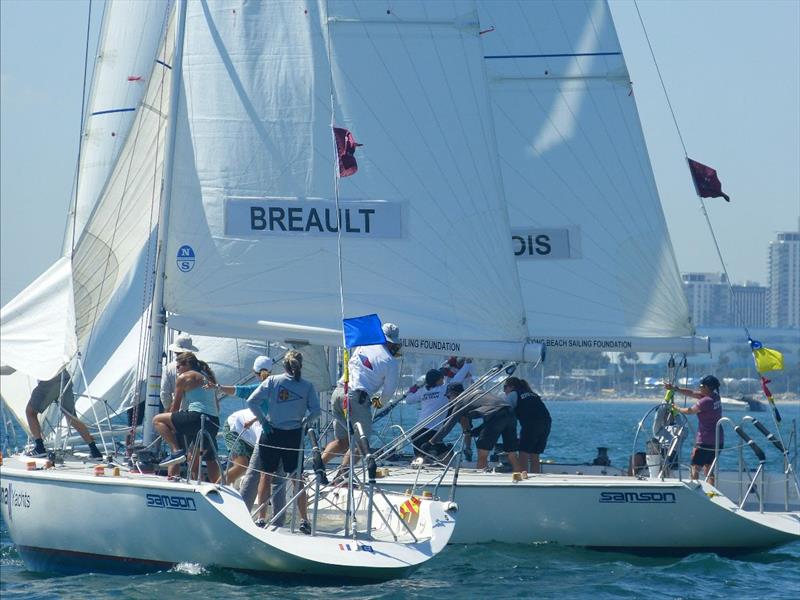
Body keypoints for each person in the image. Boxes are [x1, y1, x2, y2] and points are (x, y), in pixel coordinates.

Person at [240, 350, 320, 533]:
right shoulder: (307, 386)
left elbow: (252, 402)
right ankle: (304, 521)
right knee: (296, 478)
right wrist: (304, 422)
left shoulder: (273, 380)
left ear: (284, 366)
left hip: (272, 432)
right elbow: (316, 412)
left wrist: (263, 421)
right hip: (294, 435)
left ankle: (261, 518)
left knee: (265, 476)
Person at [321, 322, 402, 467]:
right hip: (355, 398)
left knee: (342, 442)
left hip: (339, 392)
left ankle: (318, 466)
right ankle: (342, 478)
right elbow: (388, 392)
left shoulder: (363, 346)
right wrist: (380, 402)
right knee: (361, 444)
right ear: (392, 343)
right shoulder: (390, 362)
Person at [153, 353, 221, 482]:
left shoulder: (184, 377)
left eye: (178, 367)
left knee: (157, 420)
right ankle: (209, 486)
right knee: (194, 462)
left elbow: (175, 406)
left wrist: (171, 426)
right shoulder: (208, 378)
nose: (177, 370)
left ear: (187, 365)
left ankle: (175, 451)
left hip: (196, 418)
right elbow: (216, 407)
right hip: (213, 423)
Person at [426, 383, 522, 472]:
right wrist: (476, 431)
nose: (449, 400)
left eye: (448, 397)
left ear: (454, 394)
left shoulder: (460, 401)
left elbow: (447, 426)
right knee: (511, 453)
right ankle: (520, 477)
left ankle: (481, 481)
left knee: (482, 453)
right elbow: (494, 413)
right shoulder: (477, 394)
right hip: (510, 412)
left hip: (496, 415)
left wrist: (431, 442)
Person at [25, 370, 103, 459]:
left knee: (30, 412)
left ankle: (39, 448)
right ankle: (94, 450)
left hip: (49, 379)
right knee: (71, 417)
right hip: (64, 377)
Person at [405, 360, 472, 457]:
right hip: (431, 432)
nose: (443, 380)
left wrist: (414, 388)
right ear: (437, 380)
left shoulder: (423, 391)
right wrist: (467, 364)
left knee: (421, 462)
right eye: (441, 378)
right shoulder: (445, 390)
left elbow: (408, 399)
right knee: (446, 458)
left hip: (417, 432)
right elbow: (459, 377)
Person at [665, 374, 723, 486]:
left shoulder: (705, 401)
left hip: (704, 441)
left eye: (701, 385)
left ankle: (695, 491)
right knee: (709, 468)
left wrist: (676, 408)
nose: (699, 387)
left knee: (695, 467)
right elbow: (692, 393)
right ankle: (712, 491)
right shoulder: (715, 397)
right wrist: (674, 388)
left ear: (707, 387)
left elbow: (690, 411)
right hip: (718, 440)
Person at [504, 377, 551, 473]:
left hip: (531, 424)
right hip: (546, 423)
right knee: (535, 454)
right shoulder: (533, 394)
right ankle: (535, 477)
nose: (504, 391)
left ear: (512, 387)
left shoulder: (514, 394)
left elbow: (505, 410)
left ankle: (523, 476)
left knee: (523, 452)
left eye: (505, 387)